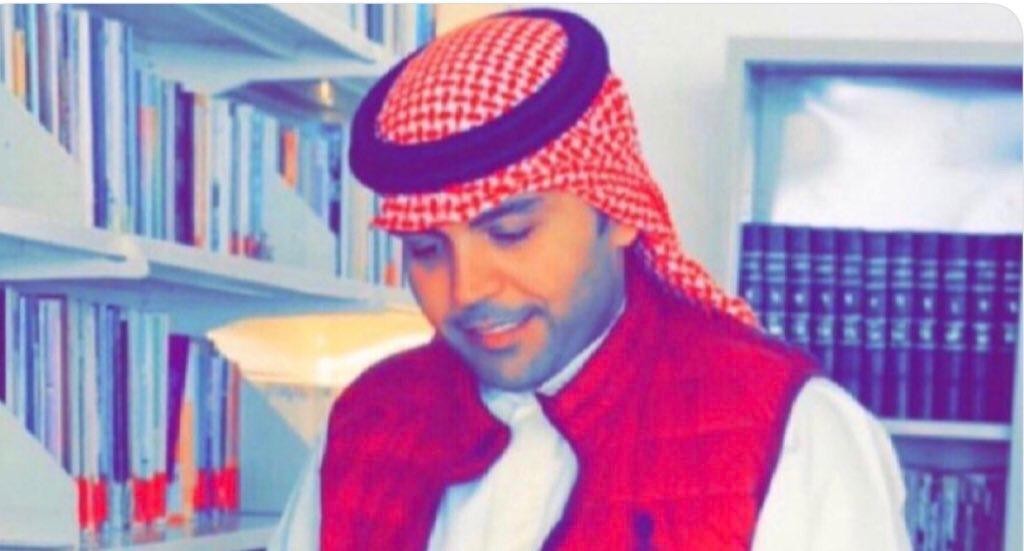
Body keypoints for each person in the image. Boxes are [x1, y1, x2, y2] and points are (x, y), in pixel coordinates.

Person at [270, 8, 910, 550]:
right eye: (426, 250)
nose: (466, 291)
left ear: (618, 212)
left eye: (511, 233)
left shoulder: (793, 432)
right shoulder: (365, 422)